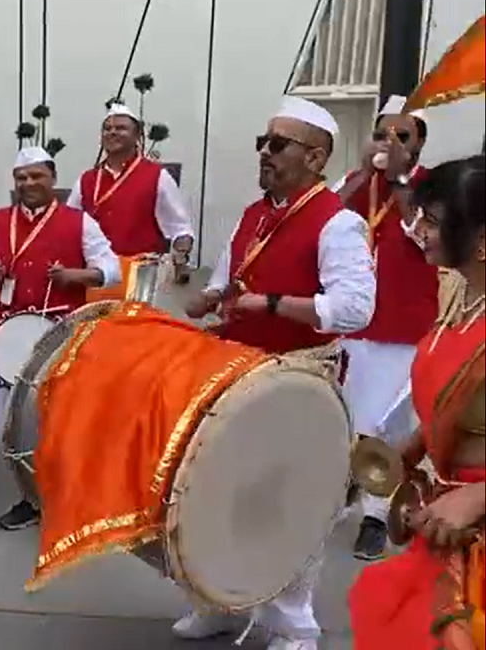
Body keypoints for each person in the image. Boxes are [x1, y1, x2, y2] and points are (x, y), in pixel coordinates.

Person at [179, 96, 376, 649]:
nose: (264, 153)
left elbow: (356, 308)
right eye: (262, 142)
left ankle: (294, 628)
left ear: (315, 158)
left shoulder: (338, 223)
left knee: (292, 502)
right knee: (219, 494)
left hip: (299, 383)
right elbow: (231, 277)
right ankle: (217, 599)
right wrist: (211, 298)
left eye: (278, 144)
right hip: (238, 376)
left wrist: (272, 306)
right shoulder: (255, 213)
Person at [348, 154, 485, 650]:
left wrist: (477, 497)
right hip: (445, 528)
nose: (418, 229)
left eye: (433, 221)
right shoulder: (462, 301)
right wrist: (414, 443)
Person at [0, 146, 122, 531]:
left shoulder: (77, 222)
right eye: (22, 178)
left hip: (58, 337)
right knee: (14, 426)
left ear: (52, 178)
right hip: (5, 337)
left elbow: (111, 267)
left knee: (60, 422)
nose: (29, 183)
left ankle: (64, 495)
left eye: (37, 176)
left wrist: (78, 276)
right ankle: (30, 497)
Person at [332, 94, 442, 561]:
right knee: (348, 420)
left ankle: (377, 516)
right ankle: (344, 494)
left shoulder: (432, 188)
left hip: (403, 329)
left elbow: (423, 234)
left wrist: (397, 180)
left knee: (388, 427)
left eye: (402, 135)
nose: (390, 142)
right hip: (353, 325)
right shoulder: (359, 183)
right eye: (382, 133)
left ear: (418, 145)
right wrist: (363, 173)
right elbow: (324, 216)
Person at [66, 103, 194, 296]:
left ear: (136, 136)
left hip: (141, 279)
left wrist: (180, 254)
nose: (112, 133)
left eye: (120, 128)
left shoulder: (157, 176)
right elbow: (69, 225)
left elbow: (180, 229)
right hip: (97, 276)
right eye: (107, 129)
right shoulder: (86, 180)